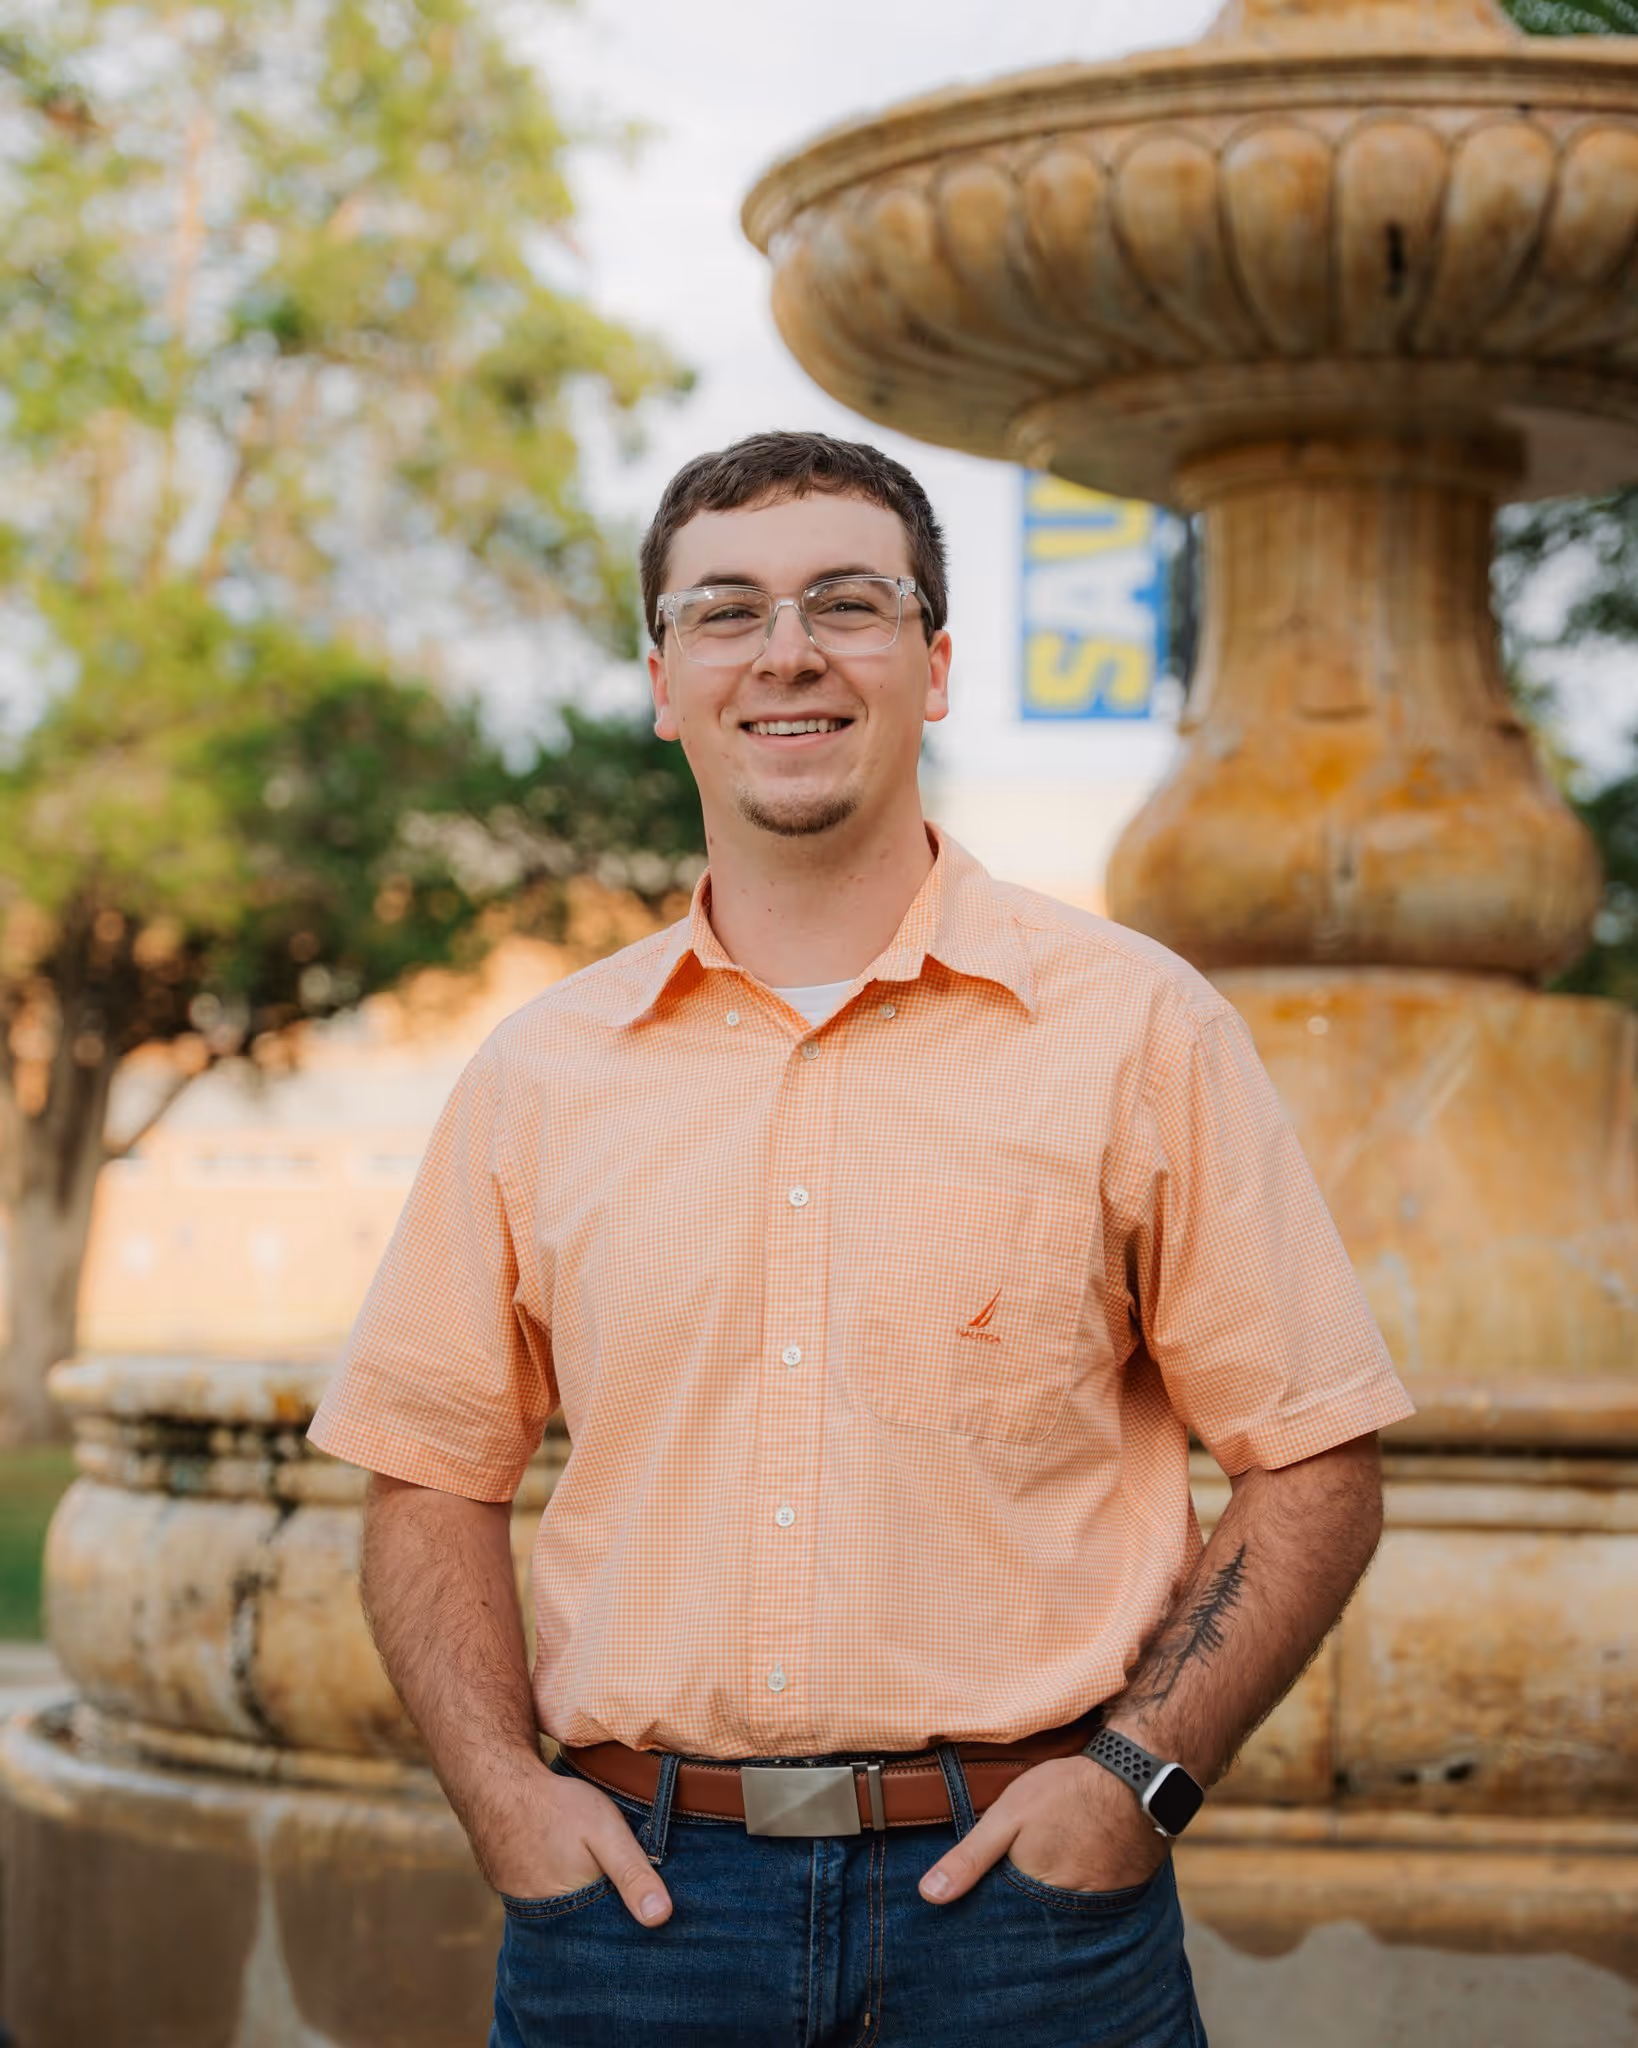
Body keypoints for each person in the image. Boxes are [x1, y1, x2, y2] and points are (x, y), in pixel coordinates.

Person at [308, 430, 1414, 2048]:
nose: (788, 654)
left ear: (934, 663)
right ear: (661, 677)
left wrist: (1130, 1786)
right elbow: (426, 1472)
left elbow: (1312, 1457)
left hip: (1026, 1920)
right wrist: (502, 1804)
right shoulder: (538, 1073)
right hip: (638, 1919)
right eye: (725, 612)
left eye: (848, 602)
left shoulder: (1133, 1031)